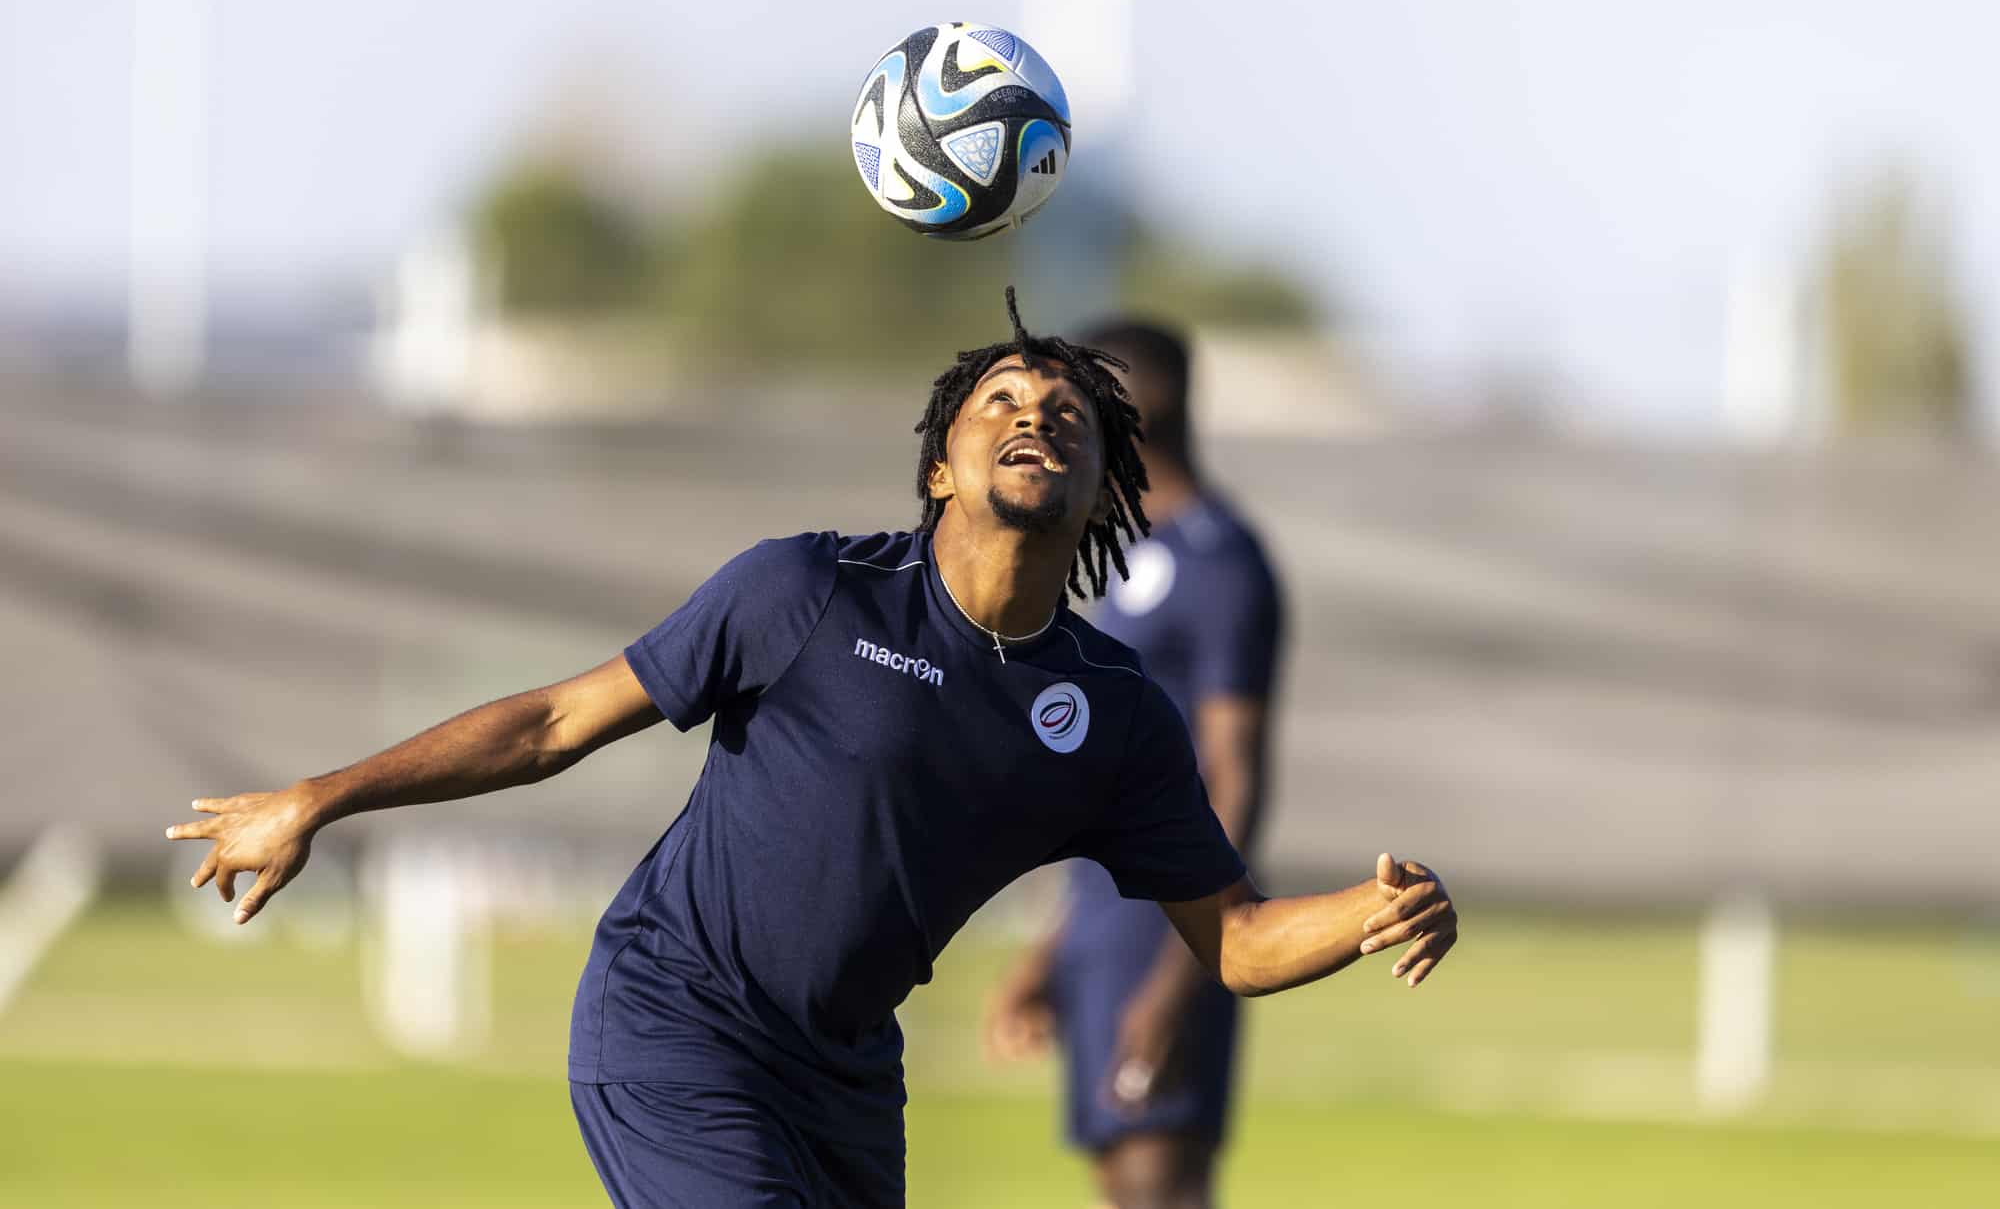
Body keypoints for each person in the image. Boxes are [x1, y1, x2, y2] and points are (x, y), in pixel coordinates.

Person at [165, 291, 1459, 1209]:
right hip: (675, 1022)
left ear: (1108, 484)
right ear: (941, 468)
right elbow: (553, 723)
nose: (1036, 416)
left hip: (844, 1076)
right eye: (999, 402)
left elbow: (1233, 939)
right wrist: (317, 801)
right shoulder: (805, 595)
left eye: (1069, 414)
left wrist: (1371, 910)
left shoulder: (1112, 712)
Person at [984, 318, 1283, 1209]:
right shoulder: (1116, 549)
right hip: (1103, 928)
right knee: (1125, 1183)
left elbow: (1236, 773)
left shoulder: (1223, 560)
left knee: (1160, 1184)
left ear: (1144, 404)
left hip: (1173, 928)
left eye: (1081, 397)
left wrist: (1185, 974)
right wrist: (1055, 950)